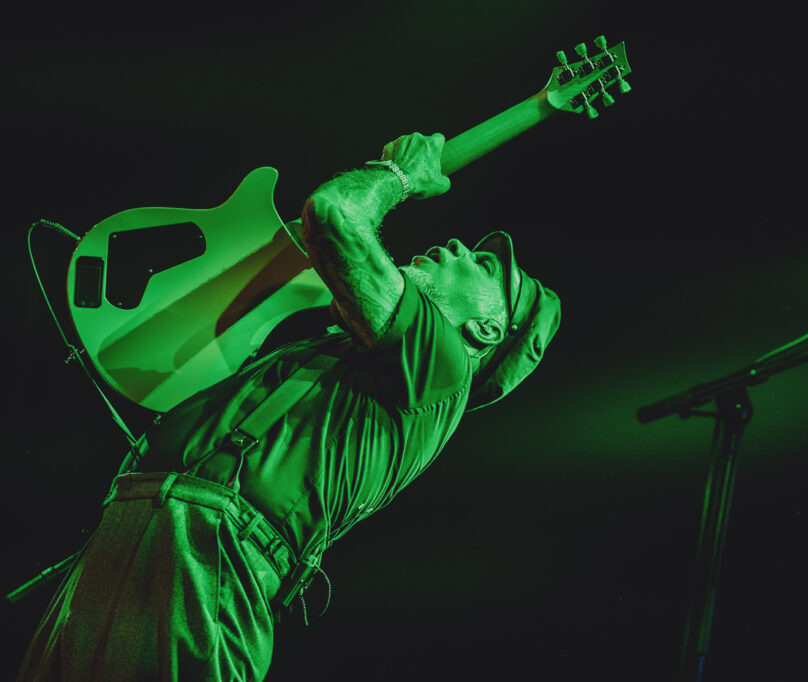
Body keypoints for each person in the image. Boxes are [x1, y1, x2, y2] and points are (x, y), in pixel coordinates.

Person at [16, 132, 561, 681]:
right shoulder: (343, 354)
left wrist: (399, 178)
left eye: (485, 265)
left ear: (488, 330)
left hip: (208, 551)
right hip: (143, 530)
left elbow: (332, 216)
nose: (460, 246)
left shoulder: (444, 364)